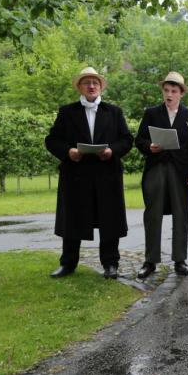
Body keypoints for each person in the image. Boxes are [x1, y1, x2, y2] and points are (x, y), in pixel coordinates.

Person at [45, 67, 133, 279]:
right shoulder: (67, 111)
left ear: (101, 86)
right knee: (72, 220)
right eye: (87, 83)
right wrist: (69, 151)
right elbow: (52, 140)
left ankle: (111, 264)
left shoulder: (114, 111)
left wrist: (112, 150)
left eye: (95, 82)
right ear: (80, 87)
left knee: (109, 220)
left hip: (107, 174)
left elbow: (126, 140)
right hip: (76, 175)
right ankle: (68, 264)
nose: (91, 86)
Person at [134, 72, 188, 278]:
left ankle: (180, 260)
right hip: (156, 167)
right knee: (152, 214)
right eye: (166, 90)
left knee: (182, 214)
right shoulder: (152, 113)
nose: (169, 94)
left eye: (174, 91)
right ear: (163, 92)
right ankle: (150, 261)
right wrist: (150, 146)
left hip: (181, 171)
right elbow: (139, 140)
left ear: (181, 93)